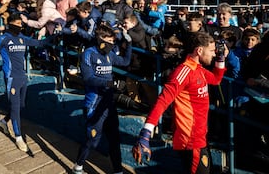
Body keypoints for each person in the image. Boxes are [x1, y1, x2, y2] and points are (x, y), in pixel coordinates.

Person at [132, 31, 228, 174]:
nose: (214, 54)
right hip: (190, 139)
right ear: (199, 50)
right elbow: (162, 101)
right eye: (212, 51)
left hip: (200, 137)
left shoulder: (199, 69)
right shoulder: (183, 72)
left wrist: (221, 59)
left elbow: (216, 79)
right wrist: (145, 134)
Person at [0, 13, 54, 152]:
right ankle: (18, 138)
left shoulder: (22, 38)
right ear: (10, 23)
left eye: (21, 24)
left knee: (20, 106)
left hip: (22, 77)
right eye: (17, 23)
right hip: (11, 78)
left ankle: (4, 121)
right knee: (15, 109)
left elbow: (40, 43)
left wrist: (55, 35)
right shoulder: (3, 39)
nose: (20, 26)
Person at [72, 24, 132, 174]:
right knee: (92, 139)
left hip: (109, 103)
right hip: (94, 102)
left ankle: (118, 170)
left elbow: (125, 62)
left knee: (114, 139)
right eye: (110, 40)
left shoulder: (109, 54)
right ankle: (78, 165)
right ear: (100, 39)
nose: (112, 43)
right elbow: (88, 78)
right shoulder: (88, 54)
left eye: (114, 40)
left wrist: (129, 43)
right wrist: (110, 83)